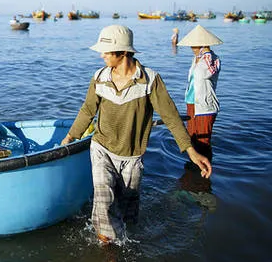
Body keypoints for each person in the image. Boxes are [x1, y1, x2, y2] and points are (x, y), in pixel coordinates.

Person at [61, 25, 212, 245]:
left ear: (123, 52)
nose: (101, 55)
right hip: (101, 148)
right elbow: (87, 110)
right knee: (102, 201)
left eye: (106, 51)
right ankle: (107, 248)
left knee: (127, 208)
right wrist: (69, 138)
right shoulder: (100, 78)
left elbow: (170, 116)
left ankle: (122, 238)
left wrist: (191, 151)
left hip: (132, 156)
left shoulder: (150, 81)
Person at [177, 24, 222, 162]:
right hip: (192, 102)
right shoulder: (196, 59)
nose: (192, 49)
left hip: (205, 105)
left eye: (194, 46)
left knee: (203, 139)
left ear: (202, 45)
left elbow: (207, 73)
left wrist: (207, 52)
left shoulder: (212, 59)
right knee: (192, 136)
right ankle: (194, 165)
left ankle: (206, 167)